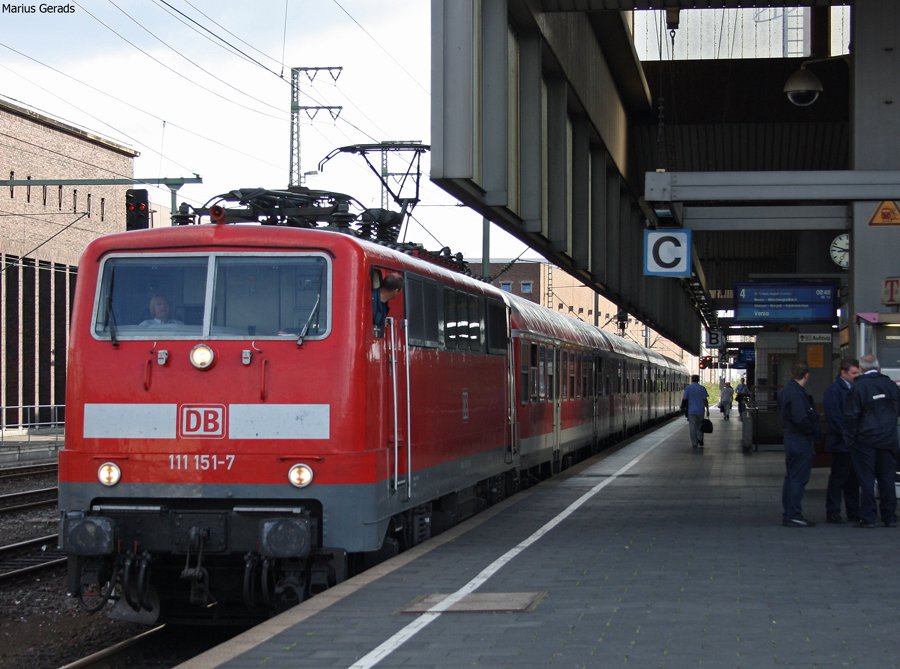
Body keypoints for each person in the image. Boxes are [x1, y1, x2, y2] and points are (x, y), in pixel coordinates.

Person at [844, 354, 900, 528]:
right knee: (887, 478)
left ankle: (868, 517)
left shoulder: (858, 387)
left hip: (865, 439)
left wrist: (850, 438)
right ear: (878, 367)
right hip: (888, 438)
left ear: (861, 369)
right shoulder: (891, 385)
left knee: (866, 479)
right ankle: (889, 516)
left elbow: (852, 416)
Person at [779, 361, 819, 527]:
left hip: (792, 438)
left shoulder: (787, 390)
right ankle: (793, 514)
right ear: (807, 375)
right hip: (800, 439)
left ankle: (790, 512)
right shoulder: (796, 393)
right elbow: (801, 418)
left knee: (792, 477)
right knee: (798, 478)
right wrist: (813, 431)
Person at [822, 357, 861, 524]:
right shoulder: (834, 391)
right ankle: (833, 512)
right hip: (841, 443)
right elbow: (834, 417)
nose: (856, 376)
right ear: (843, 373)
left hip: (852, 442)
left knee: (853, 479)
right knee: (838, 478)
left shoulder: (854, 388)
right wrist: (849, 435)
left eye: (858, 373)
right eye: (853, 373)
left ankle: (853, 512)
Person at [682, 374, 709, 450]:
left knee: (692, 427)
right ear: (698, 380)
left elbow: (685, 398)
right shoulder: (702, 388)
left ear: (692, 380)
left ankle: (694, 443)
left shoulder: (688, 388)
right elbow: (705, 400)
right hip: (700, 410)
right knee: (700, 426)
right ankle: (700, 438)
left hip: (691, 411)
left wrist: (683, 408)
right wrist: (707, 409)